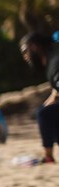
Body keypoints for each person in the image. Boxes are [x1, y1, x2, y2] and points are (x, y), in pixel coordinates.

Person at [20, 32, 59, 163]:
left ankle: (48, 156)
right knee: (45, 112)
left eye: (25, 51)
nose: (25, 57)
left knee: (46, 114)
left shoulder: (55, 63)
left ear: (34, 47)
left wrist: (42, 114)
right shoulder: (52, 62)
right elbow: (56, 93)